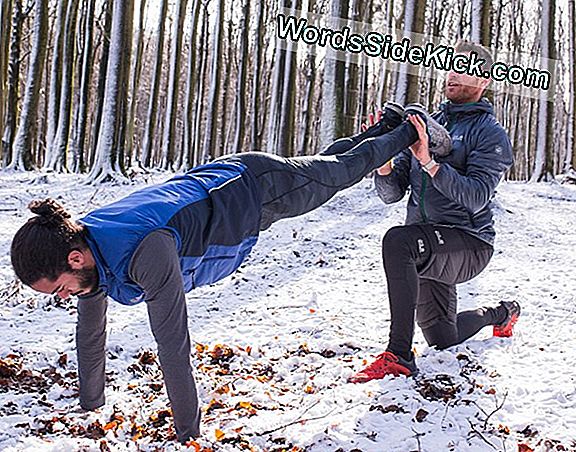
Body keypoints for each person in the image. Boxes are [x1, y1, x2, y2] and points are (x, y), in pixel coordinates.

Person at [10, 104, 452, 443]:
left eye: (58, 290)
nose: (64, 298)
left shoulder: (144, 250)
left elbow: (173, 343)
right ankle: (383, 127)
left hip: (252, 189)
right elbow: (90, 335)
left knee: (337, 173)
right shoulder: (86, 249)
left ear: (73, 259)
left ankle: (408, 132)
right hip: (224, 182)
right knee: (323, 171)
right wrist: (91, 406)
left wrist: (188, 435)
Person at [349, 41, 520, 384]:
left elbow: (476, 196)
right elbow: (391, 193)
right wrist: (382, 161)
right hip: (426, 243)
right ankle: (502, 314)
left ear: (484, 81)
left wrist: (428, 161)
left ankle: (398, 355)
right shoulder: (428, 123)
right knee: (443, 336)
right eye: (451, 65)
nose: (452, 72)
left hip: (469, 243)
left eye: (464, 68)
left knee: (397, 241)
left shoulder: (490, 134)